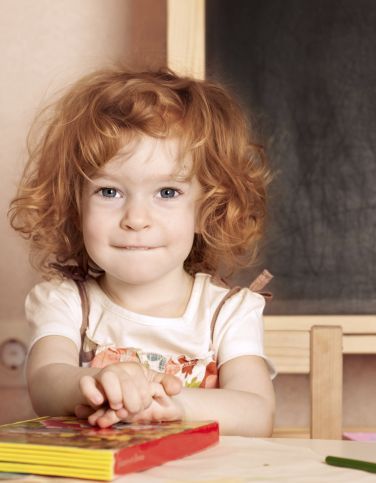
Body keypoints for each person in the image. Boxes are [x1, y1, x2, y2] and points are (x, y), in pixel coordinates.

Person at [8, 67, 276, 436]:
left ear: (206, 210)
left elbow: (257, 413)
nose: (135, 219)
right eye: (109, 191)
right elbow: (46, 381)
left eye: (167, 192)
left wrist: (173, 405)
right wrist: (100, 383)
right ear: (76, 206)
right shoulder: (66, 303)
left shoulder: (228, 312)